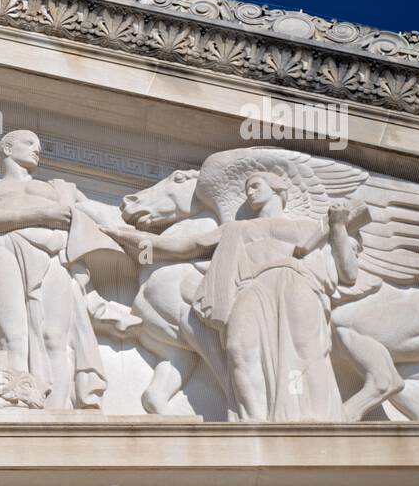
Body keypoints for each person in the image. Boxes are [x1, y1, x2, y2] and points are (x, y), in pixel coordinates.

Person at [104, 171, 359, 421]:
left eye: (256, 185)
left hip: (295, 287)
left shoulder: (310, 227)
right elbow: (185, 248)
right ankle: (252, 422)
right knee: (238, 349)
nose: (250, 192)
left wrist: (337, 225)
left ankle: (314, 420)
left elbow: (348, 274)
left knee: (305, 355)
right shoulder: (235, 229)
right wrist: (127, 236)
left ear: (279, 189)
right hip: (251, 288)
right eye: (247, 188)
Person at [0, 130, 108, 409]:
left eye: (39, 146)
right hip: (4, 251)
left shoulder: (59, 188)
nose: (36, 150)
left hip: (52, 256)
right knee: (13, 339)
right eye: (29, 143)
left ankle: (55, 415)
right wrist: (43, 215)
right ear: (6, 148)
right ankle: (21, 407)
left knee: (56, 339)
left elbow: (101, 219)